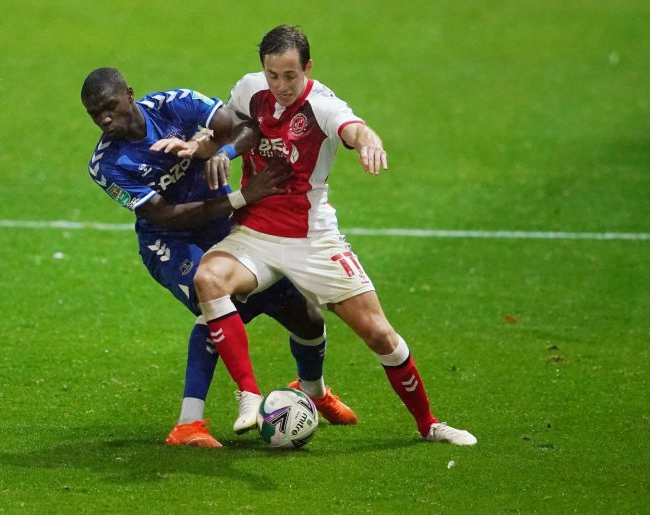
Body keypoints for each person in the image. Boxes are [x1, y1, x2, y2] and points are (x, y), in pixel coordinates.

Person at [190, 26, 477, 445]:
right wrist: (205, 143)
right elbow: (226, 124)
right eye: (273, 75)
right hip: (253, 234)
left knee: (379, 333)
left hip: (313, 240)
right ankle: (249, 394)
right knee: (207, 279)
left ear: (307, 67)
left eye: (290, 75)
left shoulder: (323, 106)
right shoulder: (250, 89)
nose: (281, 85)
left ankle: (429, 425)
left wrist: (368, 143)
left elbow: (355, 129)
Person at [80, 67, 357, 448]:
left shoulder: (175, 105)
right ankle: (190, 424)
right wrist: (244, 197)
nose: (105, 119)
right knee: (215, 304)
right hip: (171, 243)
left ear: (129, 93)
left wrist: (220, 149)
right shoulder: (107, 164)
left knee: (305, 315)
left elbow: (244, 128)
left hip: (224, 223)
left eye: (110, 106)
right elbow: (164, 215)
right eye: (95, 114)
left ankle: (313, 391)